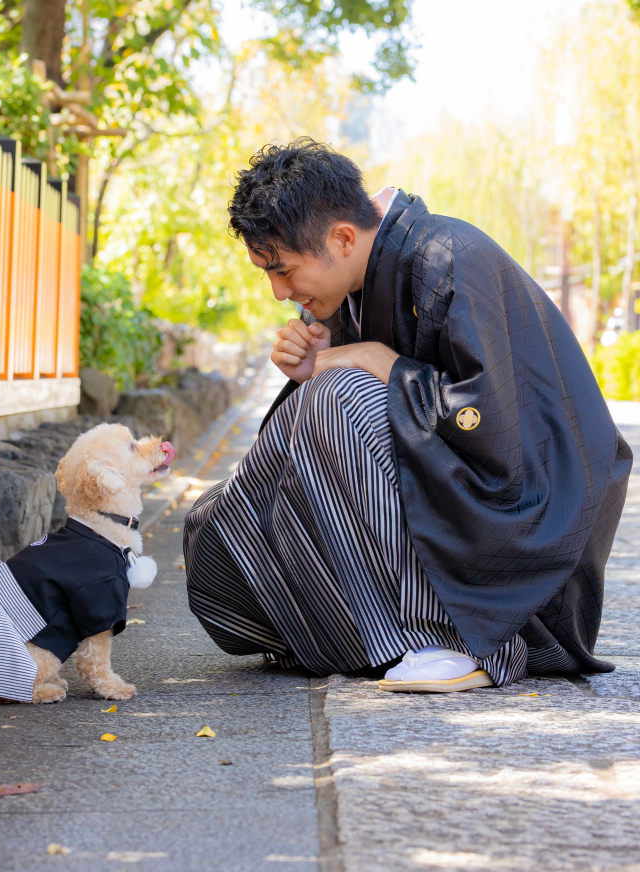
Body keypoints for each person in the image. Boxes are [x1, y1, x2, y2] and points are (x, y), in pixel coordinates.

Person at [183, 139, 632, 691]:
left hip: (528, 546)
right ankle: (359, 633)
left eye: (282, 269)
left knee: (337, 399)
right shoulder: (360, 285)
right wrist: (313, 372)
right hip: (456, 512)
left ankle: (455, 642)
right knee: (218, 524)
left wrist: (381, 364)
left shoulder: (450, 258)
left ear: (342, 238)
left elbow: (494, 425)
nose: (278, 293)